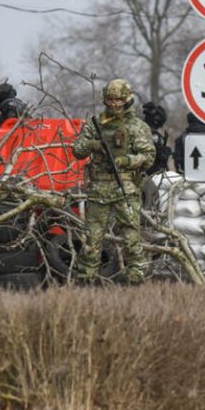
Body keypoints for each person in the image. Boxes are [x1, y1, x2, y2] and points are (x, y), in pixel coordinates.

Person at [72, 79, 155, 283]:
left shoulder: (136, 127)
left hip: (124, 187)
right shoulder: (96, 125)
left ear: (127, 99)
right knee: (92, 238)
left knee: (131, 237)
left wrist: (127, 160)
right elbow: (77, 150)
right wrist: (93, 144)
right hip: (99, 189)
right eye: (110, 99)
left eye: (118, 99)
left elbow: (148, 156)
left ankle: (136, 277)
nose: (114, 104)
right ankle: (86, 279)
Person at [142, 101, 172, 175]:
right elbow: (160, 156)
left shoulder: (143, 129)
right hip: (153, 172)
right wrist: (166, 151)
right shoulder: (152, 134)